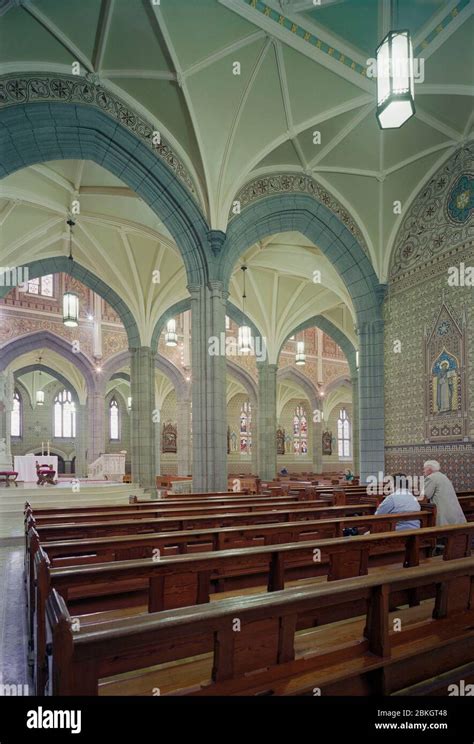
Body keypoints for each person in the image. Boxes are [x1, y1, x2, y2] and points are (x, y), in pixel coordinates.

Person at [421, 460, 466, 526]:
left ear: (429, 469)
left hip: (441, 511)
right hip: (451, 510)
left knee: (442, 532)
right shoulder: (443, 476)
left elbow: (426, 496)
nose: (423, 471)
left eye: (424, 468)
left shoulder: (431, 478)